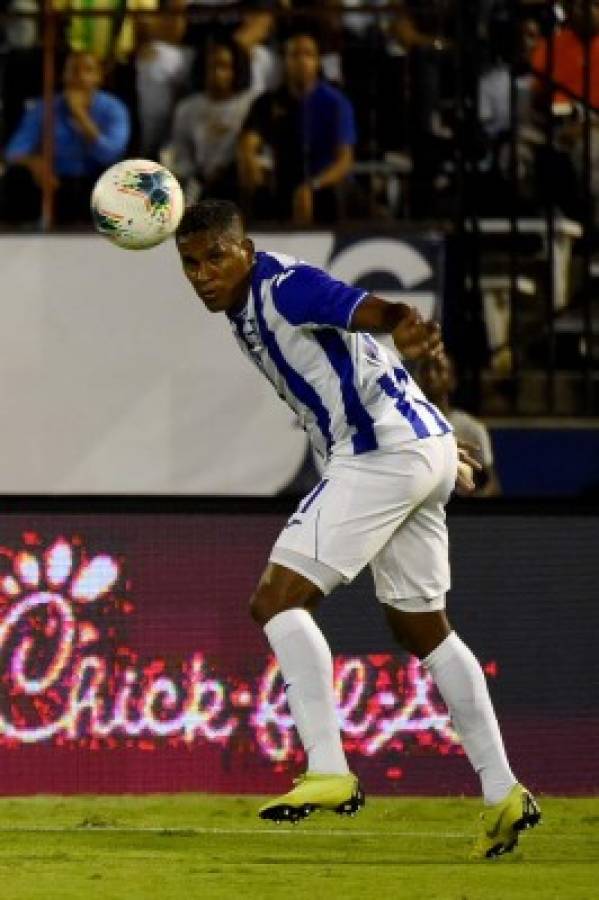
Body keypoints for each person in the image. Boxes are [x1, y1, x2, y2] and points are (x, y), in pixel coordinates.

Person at [175, 198, 541, 859]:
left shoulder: (283, 286)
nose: (203, 273)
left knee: (275, 600)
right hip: (419, 445)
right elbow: (360, 364)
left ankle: (328, 770)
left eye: (215, 257)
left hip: (382, 455)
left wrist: (401, 321)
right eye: (190, 263)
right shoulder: (246, 307)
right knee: (421, 628)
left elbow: (367, 309)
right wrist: (433, 446)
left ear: (247, 250)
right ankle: (503, 792)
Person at [237, 31, 357, 225]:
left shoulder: (335, 102)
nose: (301, 61)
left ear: (318, 62)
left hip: (324, 182)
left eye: (308, 55)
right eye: (295, 55)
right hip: (285, 178)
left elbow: (345, 160)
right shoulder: (268, 101)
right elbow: (248, 141)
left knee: (326, 195)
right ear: (285, 61)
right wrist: (249, 159)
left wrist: (313, 185)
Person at [1, 50, 130, 224]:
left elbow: (111, 154)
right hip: (53, 180)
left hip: (95, 179)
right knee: (15, 176)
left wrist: (80, 116)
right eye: (73, 71)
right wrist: (33, 162)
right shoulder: (44, 107)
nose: (80, 77)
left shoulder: (114, 109)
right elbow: (13, 151)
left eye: (88, 70)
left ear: (99, 77)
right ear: (64, 76)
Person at [168, 38, 254, 202]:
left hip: (235, 180)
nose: (217, 73)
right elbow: (181, 152)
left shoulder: (249, 104)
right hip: (199, 182)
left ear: (236, 69)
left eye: (224, 67)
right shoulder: (187, 108)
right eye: (211, 66)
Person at [414, 353, 502, 497]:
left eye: (438, 369)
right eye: (425, 369)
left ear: (452, 381)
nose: (431, 375)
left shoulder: (473, 429)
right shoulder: (403, 427)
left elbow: (492, 485)